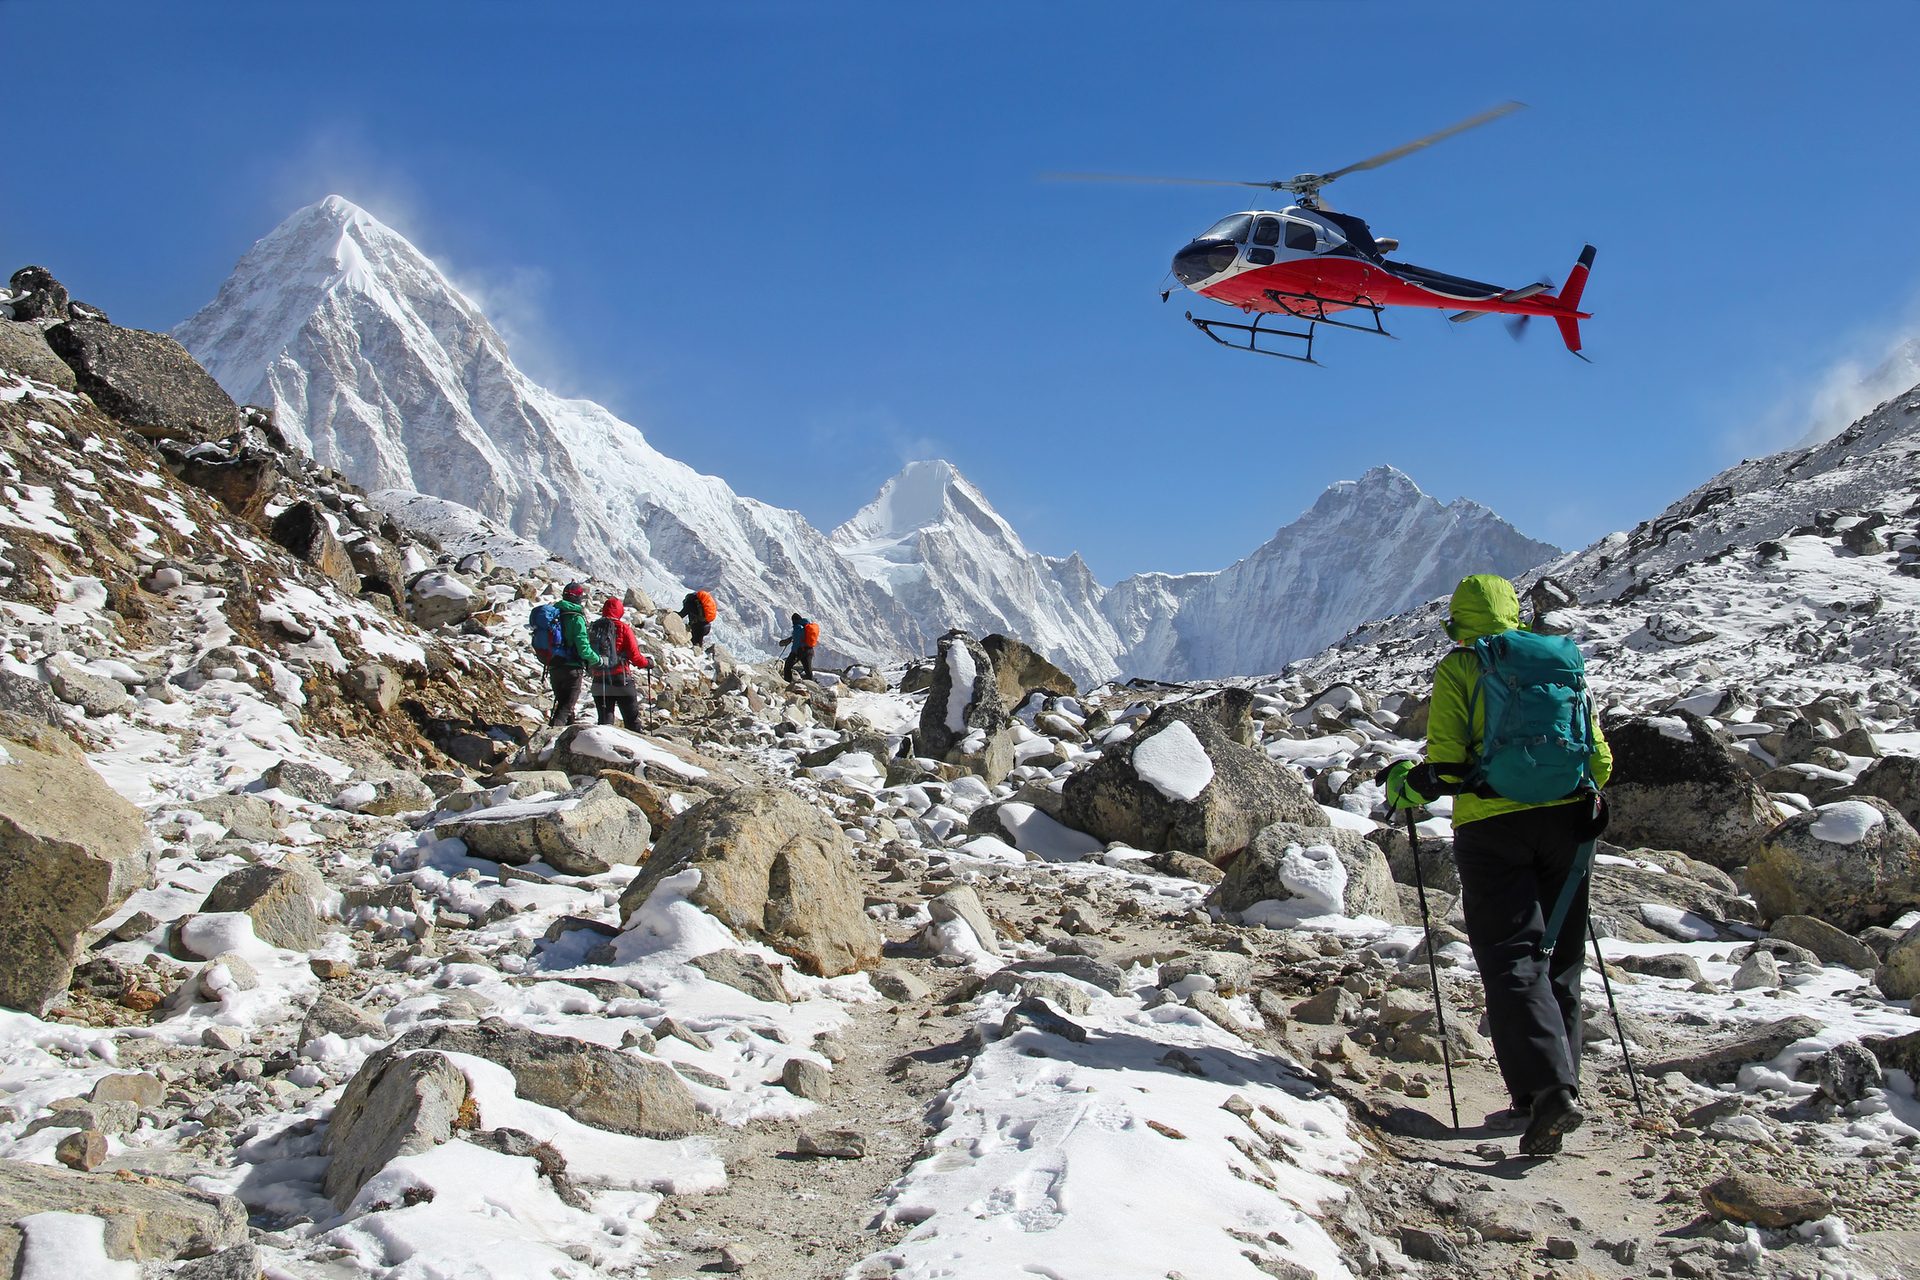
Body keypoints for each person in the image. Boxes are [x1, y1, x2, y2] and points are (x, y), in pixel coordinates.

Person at [1386, 573, 1612, 1157]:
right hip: (1569, 823)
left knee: (1512, 955)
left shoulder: (1461, 668)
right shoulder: (1561, 662)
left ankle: (1548, 1091)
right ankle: (1548, 1091)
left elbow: (1451, 767)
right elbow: (1602, 759)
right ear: (1516, 614)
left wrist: (1411, 786)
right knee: (1559, 956)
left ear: (1457, 621)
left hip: (1492, 828)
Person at [587, 597, 651, 729]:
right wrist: (648, 663)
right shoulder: (623, 628)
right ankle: (636, 747)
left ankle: (602, 748)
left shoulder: (594, 628)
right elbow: (635, 656)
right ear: (620, 611)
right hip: (621, 680)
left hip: (600, 680)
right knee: (632, 722)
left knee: (605, 724)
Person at [547, 582, 604, 726]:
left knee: (564, 704)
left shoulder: (555, 614)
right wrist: (597, 660)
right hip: (572, 668)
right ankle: (550, 738)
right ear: (578, 598)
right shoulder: (576, 617)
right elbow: (583, 647)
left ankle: (567, 738)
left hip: (554, 666)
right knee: (566, 707)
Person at [779, 612, 816, 682]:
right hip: (809, 650)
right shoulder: (806, 626)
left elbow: (797, 642)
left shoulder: (797, 627)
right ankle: (811, 685)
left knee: (787, 666)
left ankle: (787, 682)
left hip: (800, 650)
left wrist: (793, 653)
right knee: (808, 669)